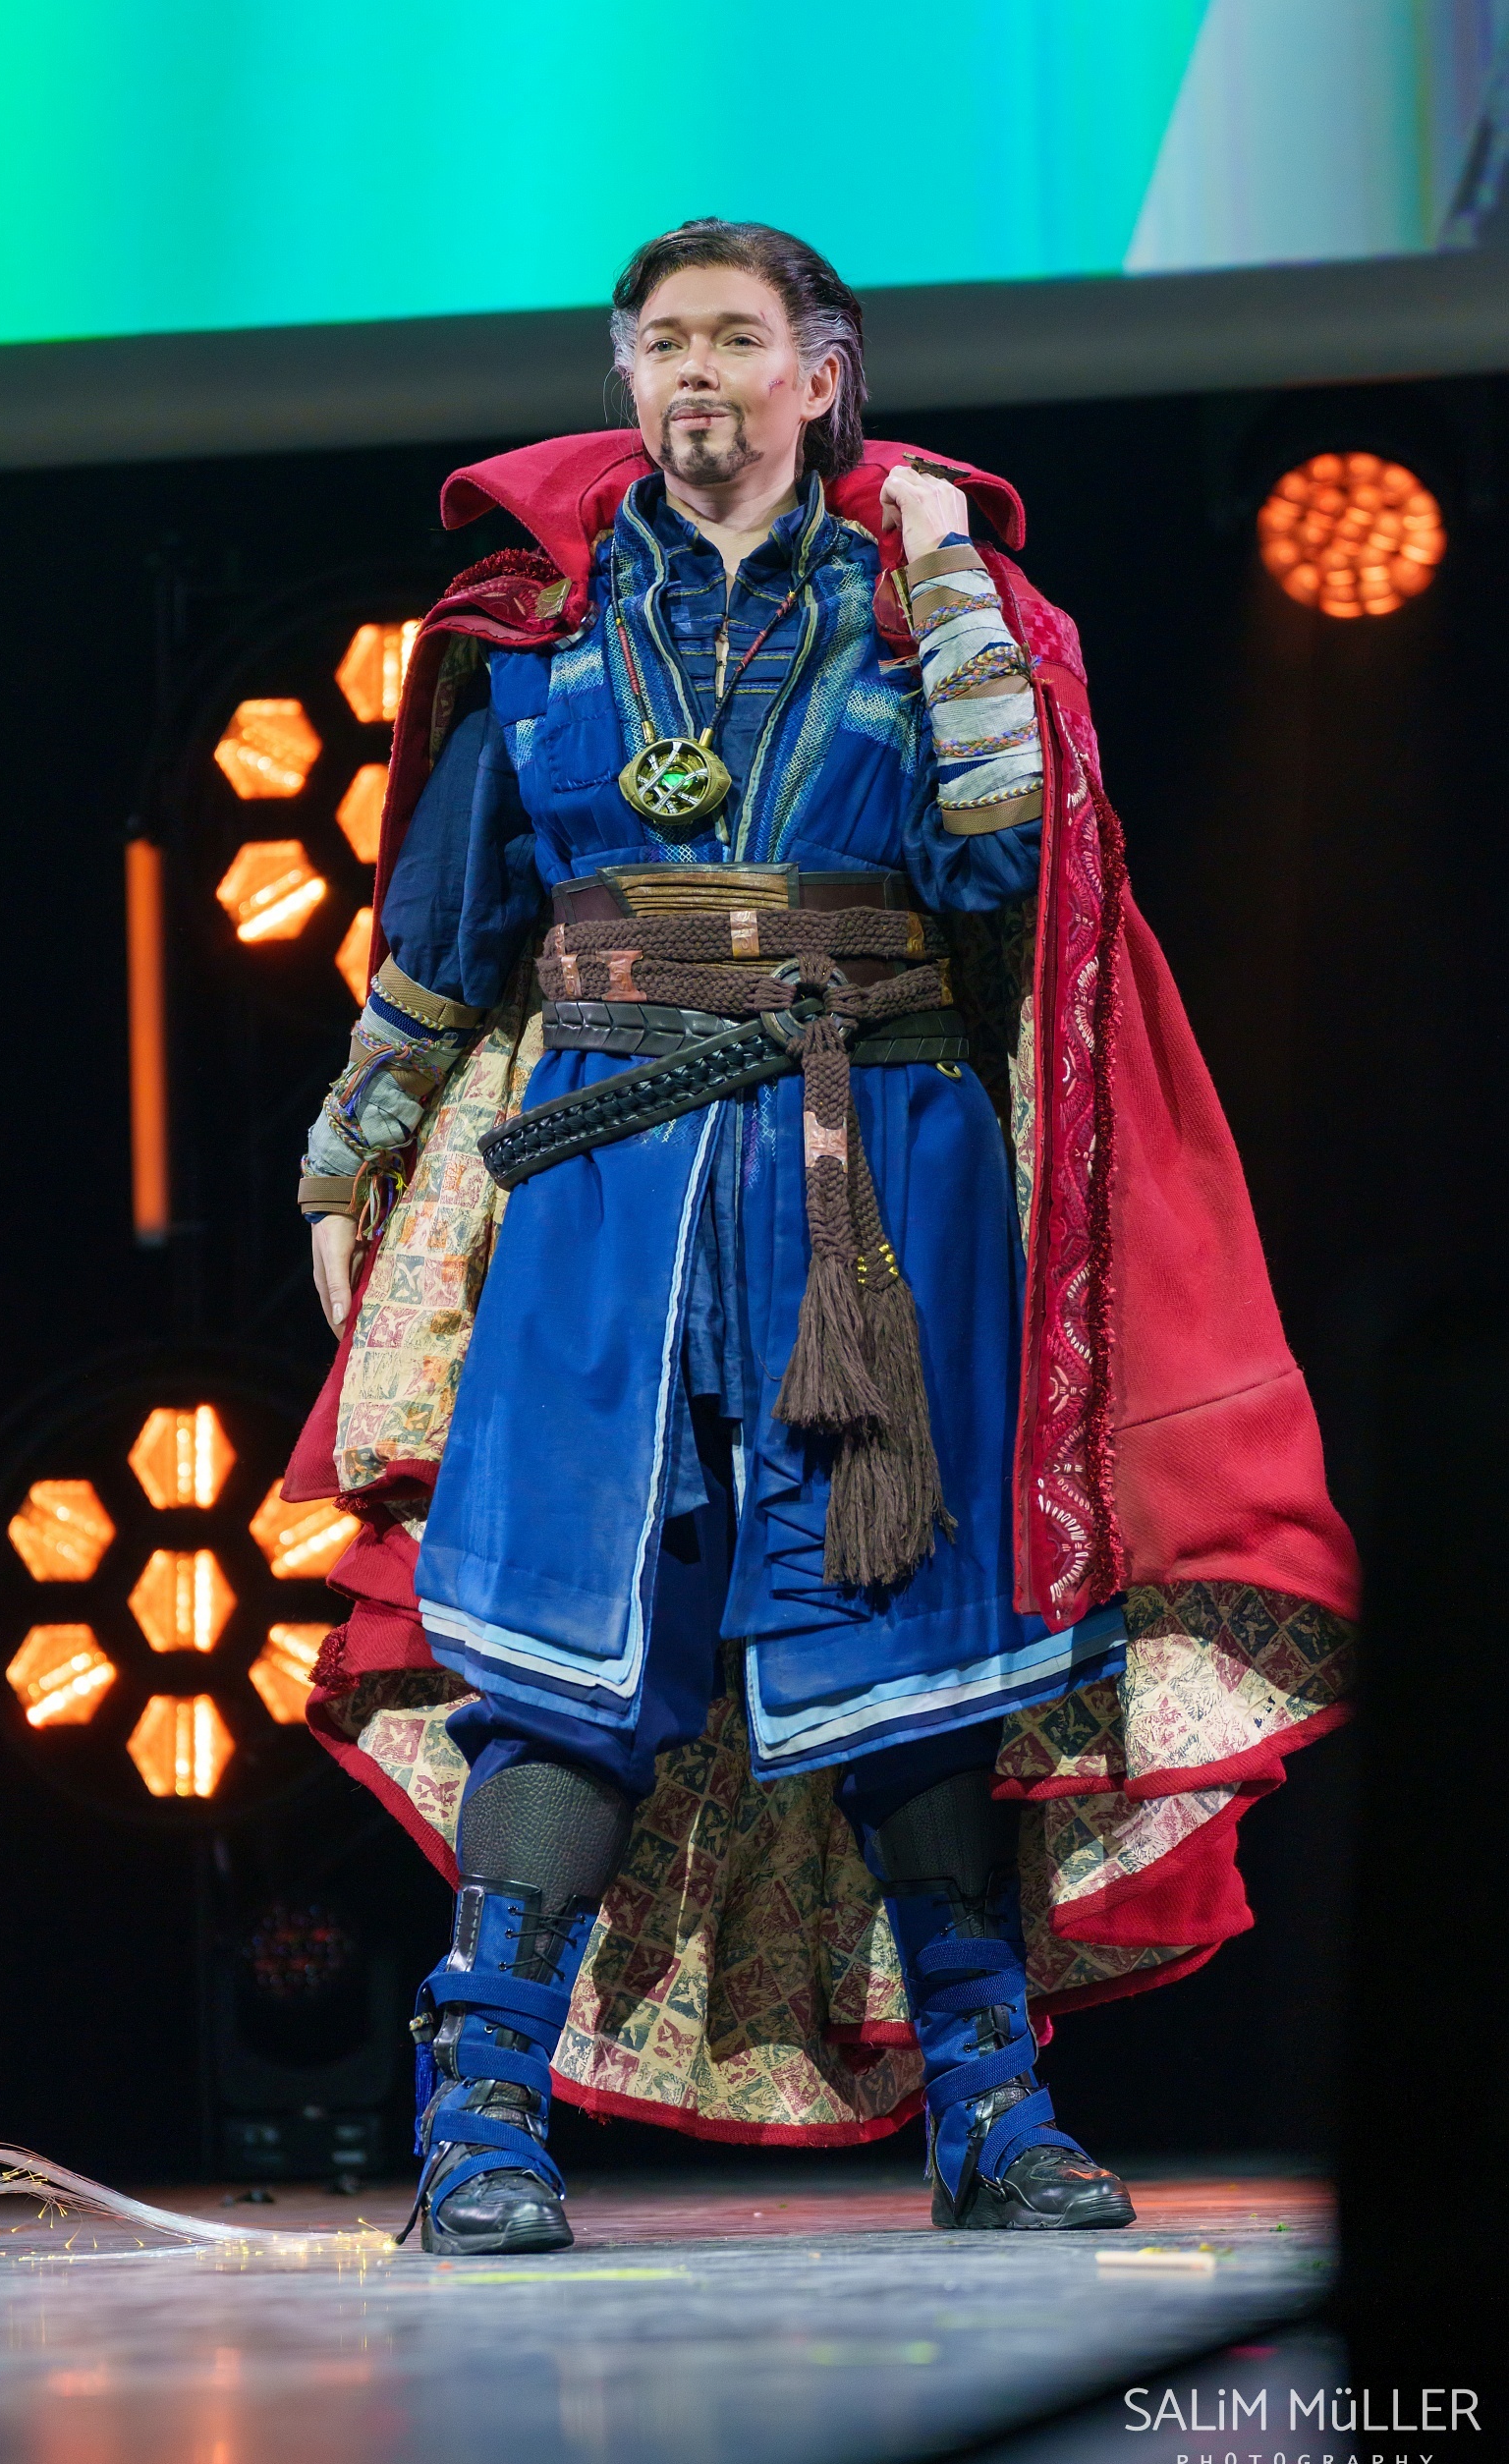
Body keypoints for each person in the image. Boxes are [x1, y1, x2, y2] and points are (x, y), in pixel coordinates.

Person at [288, 221, 1358, 2255]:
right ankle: (480, 2113)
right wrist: (355, 1144)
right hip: (605, 1186)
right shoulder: (536, 624)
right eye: (659, 342)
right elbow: (441, 931)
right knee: (566, 1649)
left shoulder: (927, 601)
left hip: (872, 1172)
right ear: (626, 375)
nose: (691, 371)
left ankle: (990, 2106)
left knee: (906, 1643)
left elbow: (1008, 853)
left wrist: (945, 578)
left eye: (732, 338)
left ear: (820, 371)